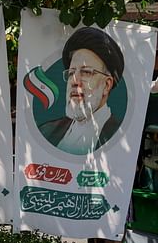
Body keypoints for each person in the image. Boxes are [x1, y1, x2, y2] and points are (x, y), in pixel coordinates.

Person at [39, 27, 125, 155]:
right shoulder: (47, 131)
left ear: (107, 85)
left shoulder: (120, 135)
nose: (74, 81)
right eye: (71, 72)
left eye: (86, 72)